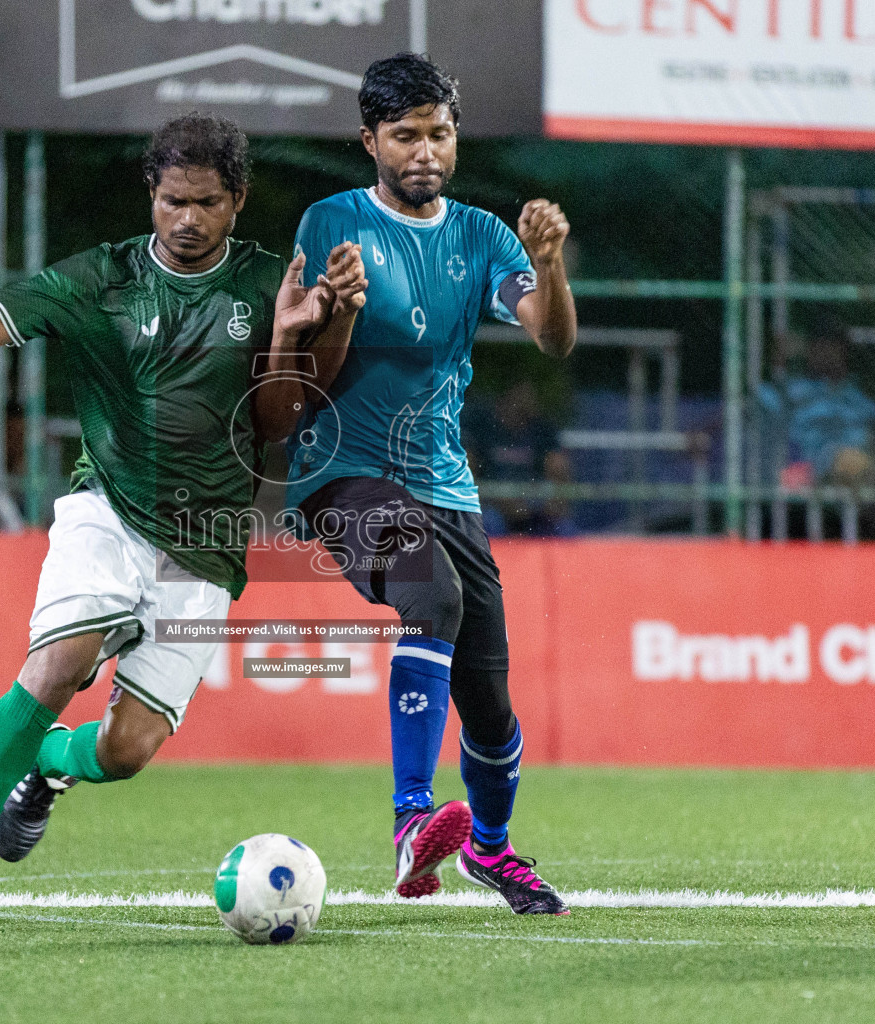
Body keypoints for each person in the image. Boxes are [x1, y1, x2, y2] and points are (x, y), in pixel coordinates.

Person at [0, 114, 366, 927]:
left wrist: (317, 326)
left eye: (208, 203)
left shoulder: (267, 283)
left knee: (127, 748)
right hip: (107, 509)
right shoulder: (100, 279)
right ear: (151, 194)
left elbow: (283, 418)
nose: (188, 219)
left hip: (210, 546)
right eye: (173, 200)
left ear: (237, 200)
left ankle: (43, 768)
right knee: (57, 667)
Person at [285, 54, 577, 914]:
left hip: (447, 488)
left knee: (489, 702)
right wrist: (330, 309)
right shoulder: (330, 223)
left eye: (439, 133)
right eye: (405, 135)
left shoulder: (486, 235)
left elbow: (552, 340)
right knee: (434, 597)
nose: (425, 151)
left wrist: (550, 265)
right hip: (343, 476)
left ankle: (491, 850)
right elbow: (288, 358)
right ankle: (412, 820)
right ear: (369, 139)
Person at [757, 326, 875, 539]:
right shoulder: (791, 390)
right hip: (816, 463)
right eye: (817, 347)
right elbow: (747, 404)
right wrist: (777, 357)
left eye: (830, 347)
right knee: (852, 463)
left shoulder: (855, 394)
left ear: (844, 352)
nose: (824, 354)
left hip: (864, 462)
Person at [465, 379, 573, 537]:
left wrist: (551, 504)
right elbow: (468, 478)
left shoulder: (541, 429)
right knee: (485, 524)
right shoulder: (483, 429)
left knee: (563, 530)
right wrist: (498, 501)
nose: (525, 402)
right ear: (505, 399)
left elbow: (559, 474)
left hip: (534, 507)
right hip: (492, 507)